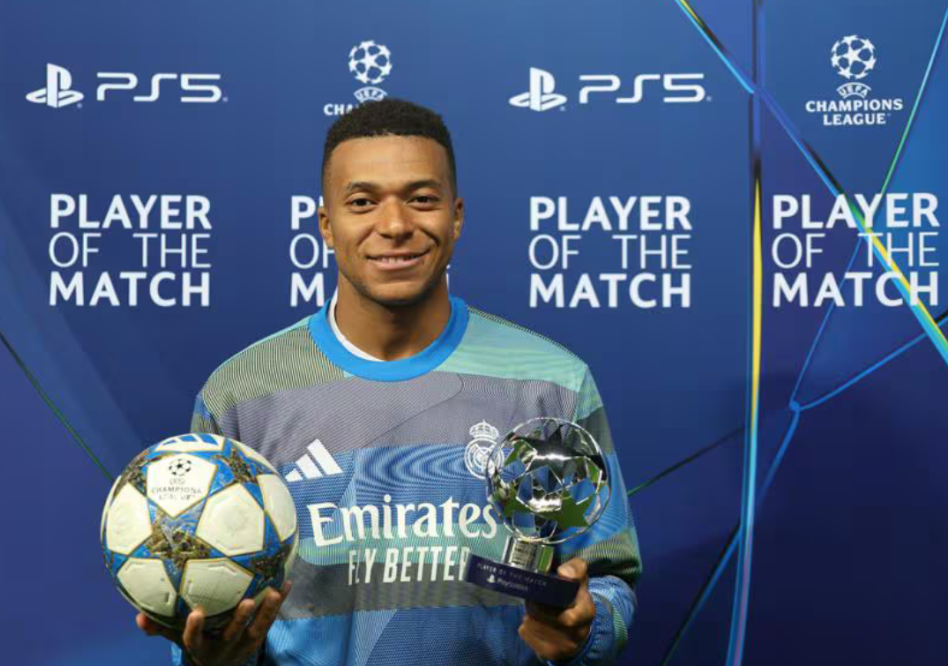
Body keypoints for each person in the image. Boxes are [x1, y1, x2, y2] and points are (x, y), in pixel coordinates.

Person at [137, 99, 641, 665]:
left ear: (456, 217)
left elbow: (609, 580)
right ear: (327, 225)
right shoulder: (241, 395)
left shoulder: (551, 382)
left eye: (421, 199)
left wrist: (585, 631)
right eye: (362, 202)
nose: (396, 226)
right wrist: (210, 658)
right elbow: (207, 607)